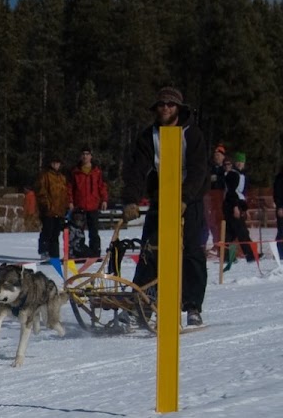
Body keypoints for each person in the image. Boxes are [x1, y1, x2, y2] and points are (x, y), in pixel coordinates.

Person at [124, 87, 209, 327]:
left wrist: (185, 198)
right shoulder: (148, 136)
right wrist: (131, 199)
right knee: (149, 252)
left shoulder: (192, 134)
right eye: (161, 104)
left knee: (191, 252)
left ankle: (192, 306)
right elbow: (137, 170)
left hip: (189, 201)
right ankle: (143, 306)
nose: (165, 108)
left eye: (170, 105)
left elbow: (199, 171)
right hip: (161, 199)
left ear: (178, 108)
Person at [68, 147, 109, 258]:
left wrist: (104, 200)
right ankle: (79, 253)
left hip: (93, 205)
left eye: (87, 154)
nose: (85, 156)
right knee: (78, 233)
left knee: (94, 232)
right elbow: (70, 188)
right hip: (79, 206)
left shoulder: (97, 171)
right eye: (83, 154)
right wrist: (70, 201)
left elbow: (102, 186)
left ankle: (95, 253)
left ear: (91, 156)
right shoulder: (75, 172)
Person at [222, 153, 257, 267]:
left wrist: (245, 208)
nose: (239, 164)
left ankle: (226, 256)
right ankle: (251, 255)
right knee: (242, 231)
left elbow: (241, 194)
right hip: (231, 206)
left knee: (230, 233)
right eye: (238, 161)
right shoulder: (233, 174)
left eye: (241, 162)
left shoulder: (242, 175)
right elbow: (231, 192)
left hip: (236, 205)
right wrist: (235, 207)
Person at [35, 156, 70, 260]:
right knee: (47, 231)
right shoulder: (45, 176)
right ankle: (44, 251)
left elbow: (65, 193)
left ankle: (54, 254)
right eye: (54, 163)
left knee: (56, 233)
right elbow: (41, 191)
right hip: (48, 210)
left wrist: (66, 206)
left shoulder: (62, 177)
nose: (56, 165)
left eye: (58, 163)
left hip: (59, 210)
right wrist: (46, 205)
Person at [273, 165, 283, 259]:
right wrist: (280, 207)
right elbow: (277, 194)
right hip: (281, 207)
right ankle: (279, 253)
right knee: (281, 230)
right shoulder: (280, 178)